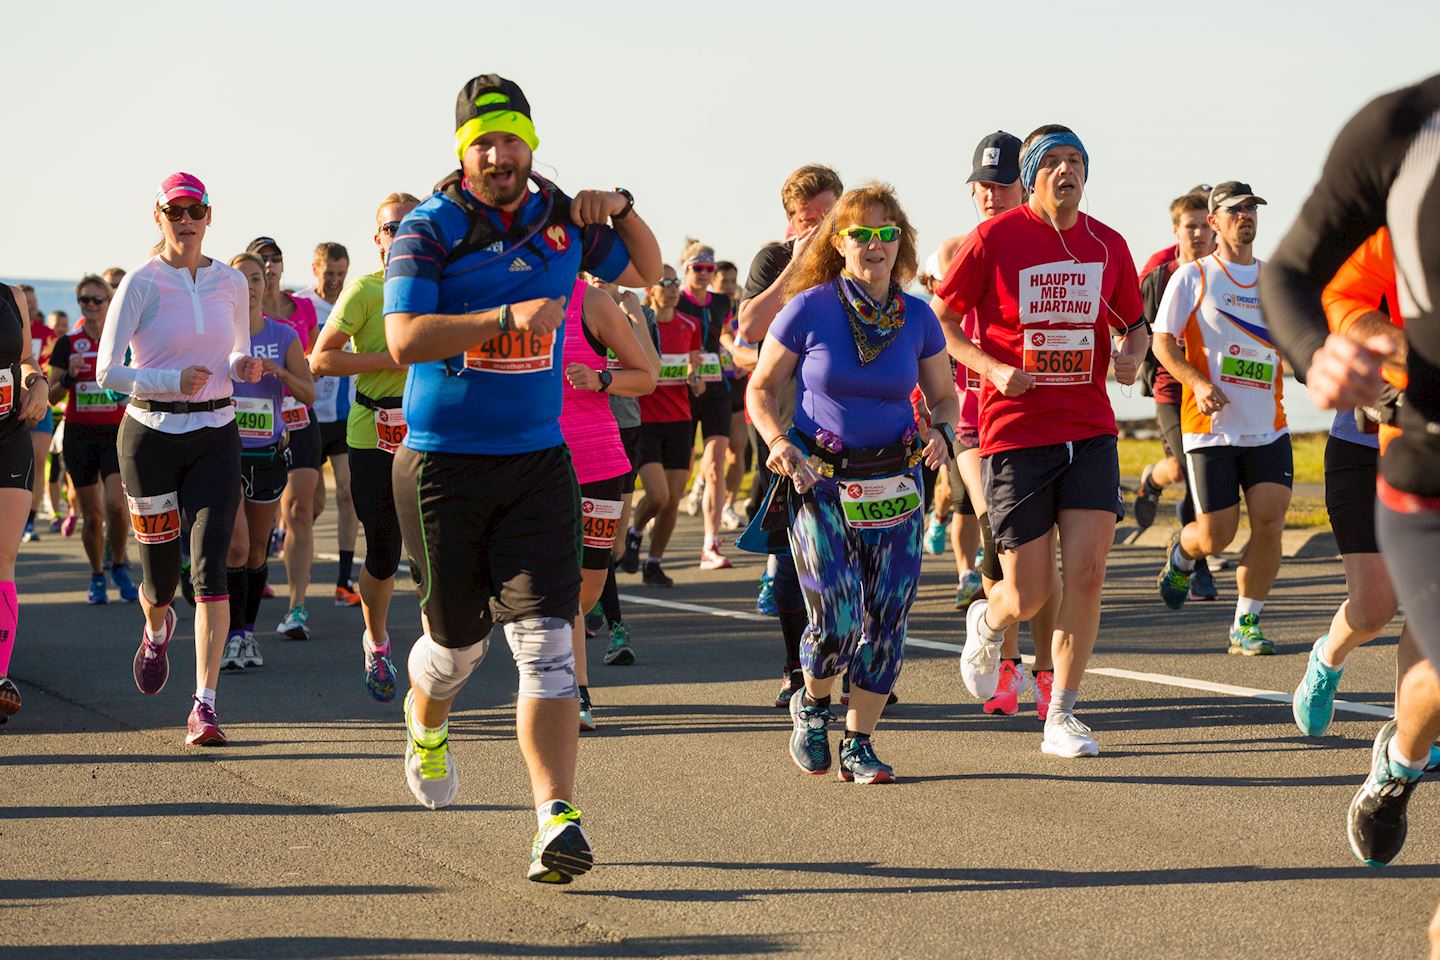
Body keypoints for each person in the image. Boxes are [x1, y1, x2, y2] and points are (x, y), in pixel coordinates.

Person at [383, 73, 660, 882]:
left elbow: (642, 268)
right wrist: (504, 320)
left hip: (540, 462)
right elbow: (403, 339)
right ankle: (424, 720)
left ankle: (554, 817)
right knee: (457, 651)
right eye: (483, 143)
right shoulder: (427, 228)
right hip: (440, 465)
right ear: (463, 152)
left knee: (546, 646)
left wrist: (619, 203)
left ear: (531, 142)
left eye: (510, 139)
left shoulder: (559, 218)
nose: (498, 155)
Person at [1261, 76, 1440, 902]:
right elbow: (1314, 281)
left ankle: (1399, 761)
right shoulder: (1408, 136)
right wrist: (1346, 349)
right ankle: (1387, 742)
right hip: (1420, 460)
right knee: (1374, 610)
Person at [936, 125, 1149, 758]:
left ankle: (1061, 712)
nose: (1066, 171)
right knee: (1028, 592)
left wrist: (1133, 356)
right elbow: (941, 322)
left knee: (1086, 575)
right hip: (1016, 432)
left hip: (1088, 428)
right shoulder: (995, 238)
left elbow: (1134, 325)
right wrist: (993, 369)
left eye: (1075, 161)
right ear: (1032, 176)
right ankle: (988, 619)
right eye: (1051, 162)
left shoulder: (1107, 244)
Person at [746, 181, 956, 783]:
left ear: (901, 244)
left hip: (896, 482)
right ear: (839, 243)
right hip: (821, 481)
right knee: (837, 617)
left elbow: (944, 396)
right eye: (861, 233)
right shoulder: (809, 308)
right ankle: (812, 706)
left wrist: (942, 431)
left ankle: (859, 741)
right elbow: (760, 389)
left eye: (887, 234)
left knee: (889, 619)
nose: (875, 244)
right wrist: (780, 442)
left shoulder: (916, 316)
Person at [99, 172, 262, 747]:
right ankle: (155, 625)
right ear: (159, 217)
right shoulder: (141, 283)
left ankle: (204, 706)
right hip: (149, 437)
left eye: (195, 211)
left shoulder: (231, 282)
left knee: (210, 571)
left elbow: (239, 345)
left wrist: (242, 366)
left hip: (217, 432)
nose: (186, 221)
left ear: (209, 217)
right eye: (175, 212)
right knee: (161, 579)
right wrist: (171, 379)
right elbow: (107, 370)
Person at [929, 130, 1060, 717]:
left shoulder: (1053, 243)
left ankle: (1047, 674)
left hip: (1038, 417)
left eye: (1001, 184)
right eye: (980, 186)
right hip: (975, 419)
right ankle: (1004, 666)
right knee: (999, 543)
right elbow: (942, 326)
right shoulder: (957, 249)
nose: (989, 195)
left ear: (1025, 182)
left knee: (1046, 553)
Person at [1290, 227, 1425, 740]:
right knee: (1372, 609)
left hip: (1422, 457)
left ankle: (1410, 732)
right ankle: (1326, 660)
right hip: (1360, 455)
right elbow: (1314, 330)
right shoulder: (1370, 260)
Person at [1152, 182, 1291, 655]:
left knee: (1270, 525)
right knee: (1218, 535)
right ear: (1214, 222)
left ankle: (1245, 623)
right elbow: (1162, 342)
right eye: (1234, 210)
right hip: (1210, 428)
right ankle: (1183, 552)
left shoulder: (1275, 281)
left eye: (1251, 208)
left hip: (1268, 424)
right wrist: (1197, 381)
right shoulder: (1194, 277)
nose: (1245, 216)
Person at [732, 163, 842, 704]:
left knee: (857, 556)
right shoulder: (775, 260)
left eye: (828, 217)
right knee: (793, 560)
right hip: (788, 426)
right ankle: (796, 671)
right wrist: (796, 266)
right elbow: (748, 327)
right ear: (791, 222)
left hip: (852, 429)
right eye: (808, 220)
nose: (820, 229)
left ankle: (860, 667)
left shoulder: (861, 255)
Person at [311, 192, 420, 701]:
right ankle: (376, 640)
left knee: (432, 549)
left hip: (429, 429)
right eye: (389, 228)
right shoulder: (363, 292)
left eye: (407, 225)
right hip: (372, 428)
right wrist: (386, 359)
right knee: (384, 547)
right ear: (377, 239)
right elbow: (320, 360)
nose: (397, 235)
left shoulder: (439, 290)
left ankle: (438, 651)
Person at [558, 276, 656, 729]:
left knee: (588, 588)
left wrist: (601, 379)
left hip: (598, 460)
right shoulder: (501, 295)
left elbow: (646, 377)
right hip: (534, 462)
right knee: (557, 586)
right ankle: (574, 690)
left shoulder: (591, 301)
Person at [220, 253, 314, 672]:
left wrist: (281, 373)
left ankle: (247, 634)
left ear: (267, 284)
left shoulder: (284, 335)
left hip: (268, 454)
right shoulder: (219, 334)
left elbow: (309, 393)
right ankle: (232, 635)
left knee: (257, 551)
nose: (251, 286)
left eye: (256, 278)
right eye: (241, 279)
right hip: (224, 453)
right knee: (236, 547)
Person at [1133, 190, 1221, 599]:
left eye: (1206, 225)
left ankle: (1151, 477)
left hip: (1214, 392)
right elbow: (1134, 329)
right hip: (1172, 388)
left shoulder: (1224, 273)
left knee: (1201, 475)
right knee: (1188, 472)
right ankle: (1198, 566)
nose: (1200, 233)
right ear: (1176, 231)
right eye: (1192, 227)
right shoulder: (1160, 276)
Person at [248, 237, 322, 640]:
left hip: (298, 418)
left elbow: (309, 369)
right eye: (262, 262)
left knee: (299, 508)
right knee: (255, 525)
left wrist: (292, 374)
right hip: (254, 429)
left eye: (276, 260)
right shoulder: (238, 318)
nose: (271, 267)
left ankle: (296, 607)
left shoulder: (303, 309)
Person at [47, 275, 138, 603]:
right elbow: (51, 397)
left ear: (109, 302)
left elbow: (138, 379)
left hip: (115, 434)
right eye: (85, 300)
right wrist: (70, 377)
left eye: (98, 300)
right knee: (93, 514)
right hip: (79, 433)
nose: (92, 305)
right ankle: (97, 574)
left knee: (115, 506)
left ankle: (118, 564)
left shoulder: (123, 341)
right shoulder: (68, 344)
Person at [589, 276, 659, 657]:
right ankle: (617, 628)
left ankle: (591, 596)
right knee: (590, 533)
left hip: (626, 429)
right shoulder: (576, 307)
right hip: (585, 430)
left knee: (613, 540)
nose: (602, 273)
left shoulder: (641, 313)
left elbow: (652, 370)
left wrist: (633, 317)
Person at [0, 283, 60, 719]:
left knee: (2, 556)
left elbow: (24, 360)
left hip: (7, 434)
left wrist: (36, 383)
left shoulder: (12, 295)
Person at [624, 266, 703, 587]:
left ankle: (653, 563)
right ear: (650, 290)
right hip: (645, 420)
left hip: (680, 420)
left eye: (675, 283)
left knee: (672, 501)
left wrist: (696, 380)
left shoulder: (690, 325)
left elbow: (698, 373)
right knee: (657, 496)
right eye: (664, 282)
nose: (672, 288)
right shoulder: (636, 322)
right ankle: (634, 532)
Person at [295, 241, 362, 608]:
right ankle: (297, 556)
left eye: (341, 274)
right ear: (315, 270)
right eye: (329, 274)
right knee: (310, 504)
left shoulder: (351, 300)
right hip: (308, 416)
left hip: (343, 415)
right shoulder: (303, 305)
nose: (335, 281)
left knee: (348, 493)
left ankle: (342, 580)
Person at [674, 242, 736, 569]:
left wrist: (736, 354)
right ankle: (642, 527)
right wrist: (686, 366)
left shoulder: (723, 301)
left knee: (714, 466)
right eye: (698, 268)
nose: (704, 274)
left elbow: (725, 334)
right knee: (678, 473)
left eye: (709, 269)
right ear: (686, 268)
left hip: (716, 389)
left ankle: (709, 544)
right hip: (680, 390)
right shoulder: (675, 299)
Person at [711, 260, 750, 531]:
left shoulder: (742, 307)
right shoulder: (707, 307)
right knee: (712, 456)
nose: (728, 286)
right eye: (723, 281)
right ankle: (705, 487)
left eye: (732, 280)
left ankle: (729, 504)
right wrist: (733, 349)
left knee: (738, 451)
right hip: (711, 387)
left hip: (737, 386)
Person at [23, 307, 58, 542]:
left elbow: (48, 369)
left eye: (34, 303)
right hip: (13, 403)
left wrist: (39, 383)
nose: (32, 308)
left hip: (40, 401)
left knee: (36, 463)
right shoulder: (9, 323)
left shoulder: (48, 334)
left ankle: (29, 522)